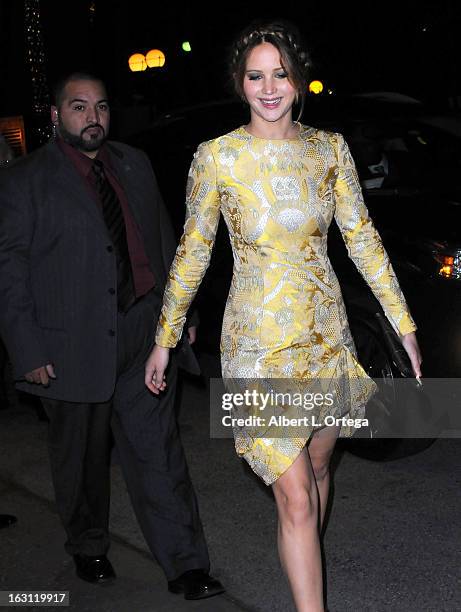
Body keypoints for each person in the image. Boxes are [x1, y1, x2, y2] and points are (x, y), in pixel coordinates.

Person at [146, 21, 422, 612]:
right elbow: (193, 253)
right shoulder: (217, 158)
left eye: (280, 74)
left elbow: (362, 238)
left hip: (324, 338)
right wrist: (164, 338)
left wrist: (404, 325)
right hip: (256, 345)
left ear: (298, 81)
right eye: (255, 75)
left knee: (319, 472)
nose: (268, 88)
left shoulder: (331, 151)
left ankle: (303, 563)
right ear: (239, 83)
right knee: (295, 495)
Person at [0, 72, 224, 600]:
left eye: (100, 107)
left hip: (144, 333)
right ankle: (88, 543)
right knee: (80, 462)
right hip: (69, 345)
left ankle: (186, 564)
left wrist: (179, 312)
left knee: (160, 453)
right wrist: (26, 348)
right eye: (78, 108)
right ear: (56, 117)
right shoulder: (25, 180)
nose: (92, 117)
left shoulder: (134, 163)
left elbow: (164, 239)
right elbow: (8, 271)